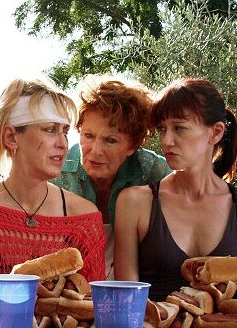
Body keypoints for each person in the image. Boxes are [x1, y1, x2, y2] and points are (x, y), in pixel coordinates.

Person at [0, 78, 106, 323]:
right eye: (50, 129)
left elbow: (94, 313)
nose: (62, 143)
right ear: (11, 137)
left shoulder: (85, 221)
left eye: (64, 131)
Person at [114, 78, 237, 301]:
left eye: (179, 128)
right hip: (150, 324)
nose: (166, 141)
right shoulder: (134, 202)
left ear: (216, 133)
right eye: (162, 129)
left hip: (228, 325)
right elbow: (126, 301)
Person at [52, 76, 170, 278]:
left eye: (111, 140)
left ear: (133, 145)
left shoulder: (154, 172)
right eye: (88, 136)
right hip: (72, 288)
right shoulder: (57, 173)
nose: (96, 150)